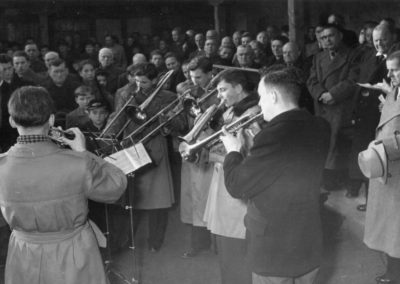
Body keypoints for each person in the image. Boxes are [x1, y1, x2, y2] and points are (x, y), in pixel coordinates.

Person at [0, 86, 127, 284]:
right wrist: (82, 152)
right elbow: (116, 186)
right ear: (51, 120)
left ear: (11, 120)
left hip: (25, 254)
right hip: (74, 252)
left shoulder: (2, 165)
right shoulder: (77, 162)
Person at [220, 67, 330, 284]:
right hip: (308, 239)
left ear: (273, 96)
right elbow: (287, 162)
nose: (259, 104)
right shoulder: (320, 125)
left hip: (274, 247)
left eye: (261, 97)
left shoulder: (273, 136)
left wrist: (233, 151)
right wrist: (260, 139)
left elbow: (237, 185)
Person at [203, 70, 260, 284]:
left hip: (237, 196)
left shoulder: (252, 114)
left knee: (235, 256)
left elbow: (249, 158)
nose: (219, 96)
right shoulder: (232, 112)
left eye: (223, 90)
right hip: (226, 188)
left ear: (238, 87)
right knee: (229, 256)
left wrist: (210, 154)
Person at [361, 50, 400, 284]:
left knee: (397, 227)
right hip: (389, 167)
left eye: (395, 69)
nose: (389, 74)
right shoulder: (395, 90)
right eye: (390, 69)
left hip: (395, 165)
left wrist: (382, 145)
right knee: (391, 226)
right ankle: (393, 271)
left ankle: (395, 274)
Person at [307, 24, 359, 191]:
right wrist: (321, 94)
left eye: (330, 36)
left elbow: (353, 80)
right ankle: (328, 179)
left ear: (340, 36)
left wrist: (333, 95)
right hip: (322, 106)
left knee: (339, 145)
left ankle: (339, 179)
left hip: (342, 106)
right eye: (323, 38)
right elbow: (311, 80)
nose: (327, 40)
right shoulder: (318, 57)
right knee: (325, 143)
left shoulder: (352, 55)